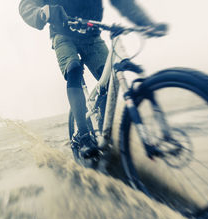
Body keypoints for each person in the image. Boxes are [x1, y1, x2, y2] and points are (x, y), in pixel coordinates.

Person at [19, 0, 159, 159]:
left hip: (92, 37)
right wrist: (42, 12)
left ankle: (103, 128)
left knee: (112, 78)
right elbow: (27, 5)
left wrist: (146, 23)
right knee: (73, 68)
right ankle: (84, 136)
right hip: (63, 35)